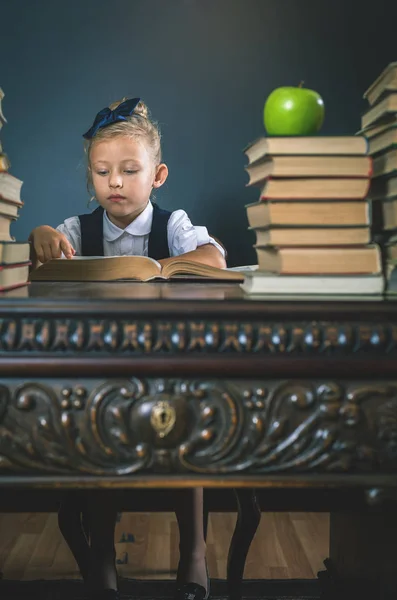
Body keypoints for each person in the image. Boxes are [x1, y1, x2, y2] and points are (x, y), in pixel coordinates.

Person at [29, 97, 226, 600]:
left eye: (129, 170)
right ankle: (101, 555)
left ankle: (194, 553)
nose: (114, 182)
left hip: (169, 363)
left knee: (188, 430)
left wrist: (172, 263)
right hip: (101, 367)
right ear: (92, 177)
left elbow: (215, 258)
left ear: (157, 175)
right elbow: (46, 249)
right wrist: (41, 234)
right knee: (98, 432)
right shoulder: (79, 229)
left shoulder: (173, 222)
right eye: (102, 171)